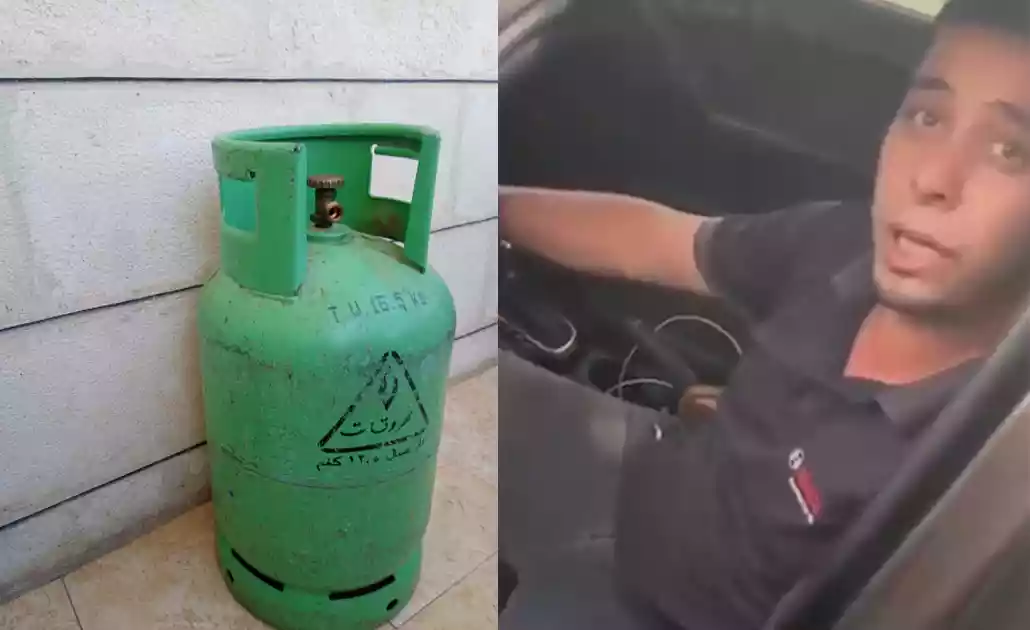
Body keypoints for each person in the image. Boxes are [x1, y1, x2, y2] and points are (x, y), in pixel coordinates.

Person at [498, 0, 1030, 628]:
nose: (934, 178)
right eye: (928, 116)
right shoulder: (841, 247)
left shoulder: (970, 468)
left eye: (1009, 150)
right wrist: (485, 206)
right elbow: (655, 240)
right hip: (655, 480)